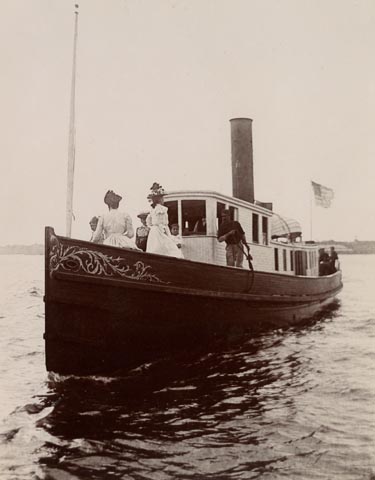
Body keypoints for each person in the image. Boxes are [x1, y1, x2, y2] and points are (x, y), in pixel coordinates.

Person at [145, 182, 183, 258]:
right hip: (160, 230)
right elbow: (163, 223)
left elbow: (148, 222)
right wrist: (166, 233)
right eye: (162, 198)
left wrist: (153, 227)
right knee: (169, 247)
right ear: (159, 199)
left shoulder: (153, 210)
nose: (163, 200)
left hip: (154, 232)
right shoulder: (161, 209)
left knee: (155, 248)